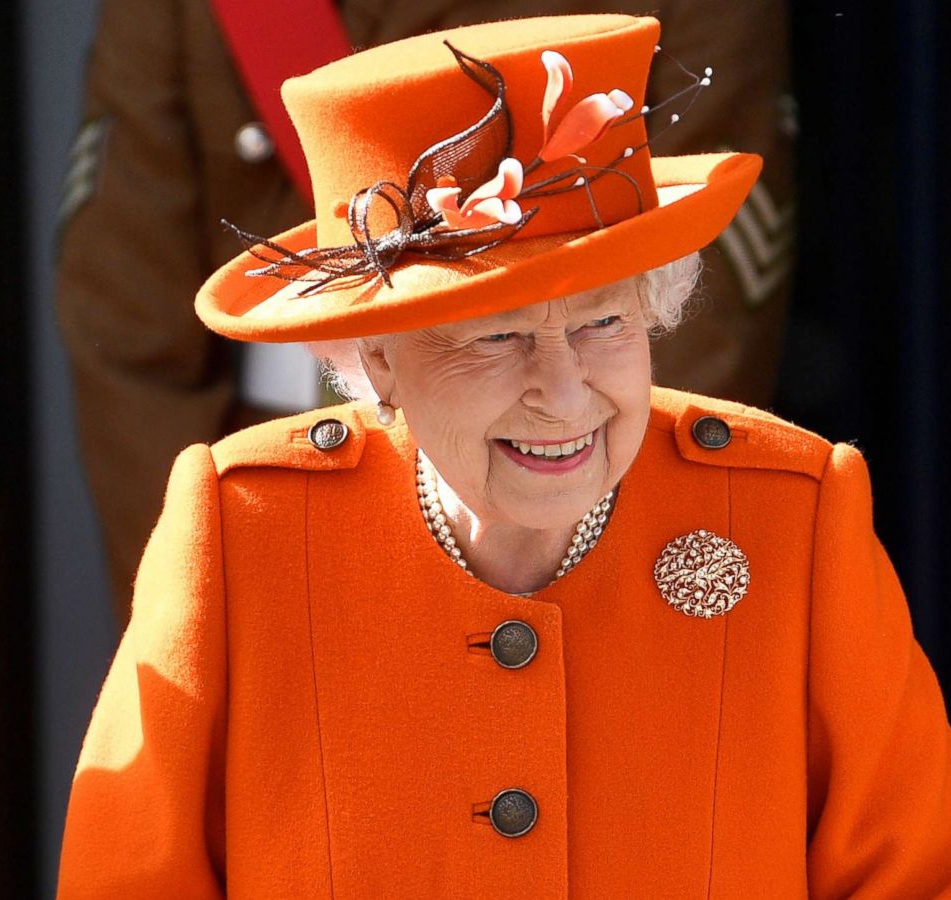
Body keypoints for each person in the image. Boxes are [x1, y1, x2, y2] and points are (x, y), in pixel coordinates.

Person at [57, 15, 951, 897]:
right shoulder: (239, 536)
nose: (563, 392)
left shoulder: (791, 522)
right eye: (495, 338)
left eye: (604, 321)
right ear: (376, 357)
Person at [56, 0, 798, 618]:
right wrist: (205, 600)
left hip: (594, 498)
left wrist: (640, 588)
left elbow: (694, 313)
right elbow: (128, 327)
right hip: (287, 489)